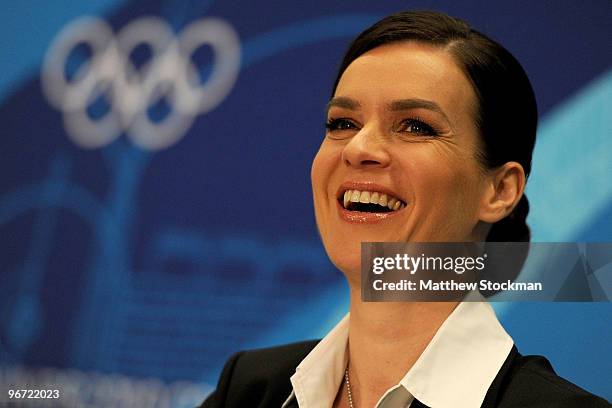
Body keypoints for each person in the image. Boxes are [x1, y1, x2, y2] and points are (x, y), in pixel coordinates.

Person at [200, 10, 609, 408]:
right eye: (342, 122)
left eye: (415, 126)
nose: (359, 148)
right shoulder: (249, 389)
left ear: (500, 190)